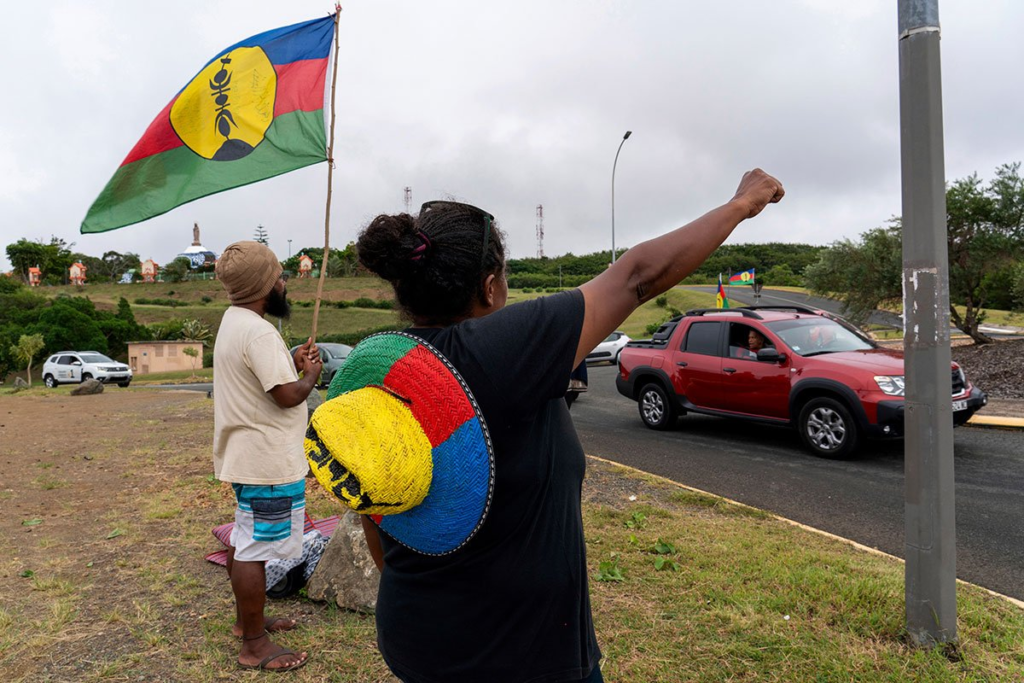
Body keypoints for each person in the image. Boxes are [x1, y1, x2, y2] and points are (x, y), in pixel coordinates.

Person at [344, 168, 783, 683]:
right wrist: (741, 204)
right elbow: (637, 275)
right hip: (523, 657)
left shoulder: (374, 370)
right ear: (490, 288)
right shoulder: (496, 353)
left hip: (416, 637)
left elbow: (374, 511)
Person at [212, 241, 322, 672]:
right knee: (256, 548)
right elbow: (286, 396)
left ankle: (247, 621)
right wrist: (310, 373)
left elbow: (266, 381)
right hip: (266, 463)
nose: (284, 281)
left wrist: (292, 364)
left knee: (245, 538)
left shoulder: (234, 320)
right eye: (278, 275)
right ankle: (254, 645)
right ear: (263, 283)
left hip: (246, 455)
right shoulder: (259, 331)